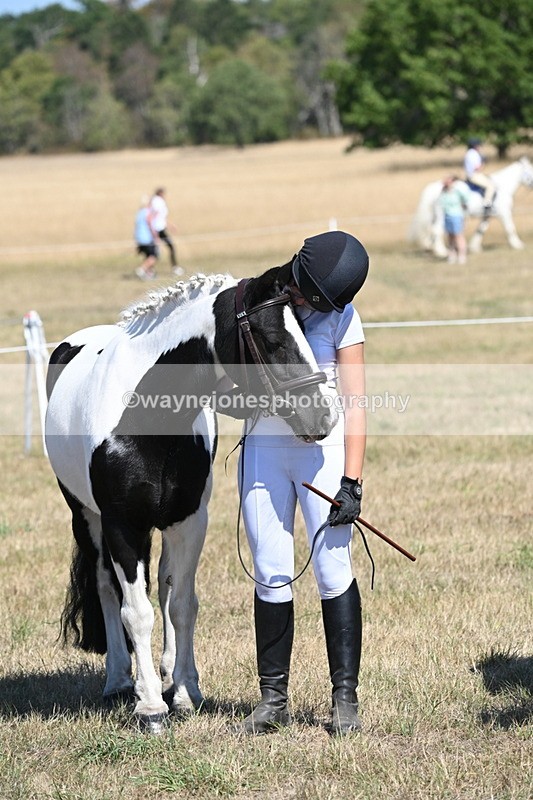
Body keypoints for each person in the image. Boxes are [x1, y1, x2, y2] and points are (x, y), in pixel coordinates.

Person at [235, 230, 369, 736]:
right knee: (271, 571)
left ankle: (344, 698)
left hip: (324, 455)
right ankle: (273, 699)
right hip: (264, 451)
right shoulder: (258, 305)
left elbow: (356, 407)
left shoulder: (343, 319)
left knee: (333, 571)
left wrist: (352, 481)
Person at [149, 187, 183, 276]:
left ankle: (150, 270)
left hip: (158, 228)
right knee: (168, 247)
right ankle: (174, 267)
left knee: (157, 249)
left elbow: (161, 217)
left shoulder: (155, 201)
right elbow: (155, 215)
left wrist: (170, 225)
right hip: (158, 229)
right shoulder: (158, 201)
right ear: (160, 193)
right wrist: (153, 229)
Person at [438, 175, 469, 265]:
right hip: (447, 216)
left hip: (456, 216)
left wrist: (464, 216)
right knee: (450, 236)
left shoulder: (457, 192)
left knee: (458, 236)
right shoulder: (444, 193)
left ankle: (461, 255)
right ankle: (452, 254)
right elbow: (441, 205)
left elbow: (465, 202)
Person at [464, 138, 495, 213]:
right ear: (475, 146)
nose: (479, 147)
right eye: (478, 145)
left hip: (473, 174)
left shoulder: (469, 153)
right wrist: (483, 162)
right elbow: (477, 168)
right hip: (474, 175)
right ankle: (487, 204)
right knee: (490, 186)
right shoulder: (473, 154)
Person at [134, 195, 158, 280]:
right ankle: (142, 269)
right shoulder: (147, 212)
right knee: (153, 256)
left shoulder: (139, 212)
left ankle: (149, 273)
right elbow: (150, 224)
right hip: (147, 238)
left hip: (139, 238)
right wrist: (155, 235)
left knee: (147, 256)